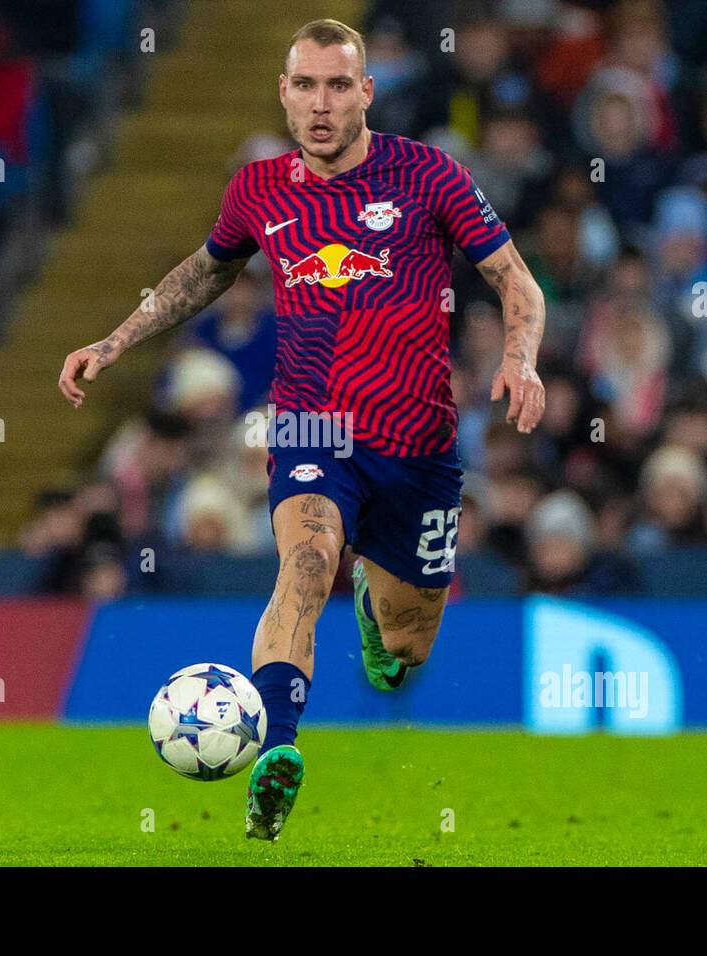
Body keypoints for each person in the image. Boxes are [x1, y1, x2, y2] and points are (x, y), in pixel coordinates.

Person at [56, 19, 546, 841]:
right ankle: (277, 748)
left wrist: (523, 359)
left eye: (337, 85)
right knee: (305, 561)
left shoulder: (429, 174)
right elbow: (204, 273)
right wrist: (112, 341)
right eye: (306, 86)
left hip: (420, 446)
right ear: (284, 93)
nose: (321, 104)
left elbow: (515, 281)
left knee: (404, 651)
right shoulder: (258, 189)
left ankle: (376, 608)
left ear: (366, 92)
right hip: (312, 430)